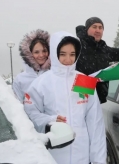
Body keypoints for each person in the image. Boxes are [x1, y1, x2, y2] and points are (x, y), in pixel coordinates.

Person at [24, 31, 106, 164]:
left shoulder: (83, 81)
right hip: (53, 156)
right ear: (55, 54)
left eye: (72, 54)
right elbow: (30, 116)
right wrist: (50, 120)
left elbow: (95, 122)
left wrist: (99, 160)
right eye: (63, 54)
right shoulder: (41, 83)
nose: (68, 60)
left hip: (82, 155)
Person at [13, 29, 50, 102]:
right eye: (36, 52)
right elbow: (17, 105)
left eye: (44, 51)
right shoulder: (20, 79)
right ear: (29, 54)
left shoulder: (54, 74)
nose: (41, 55)